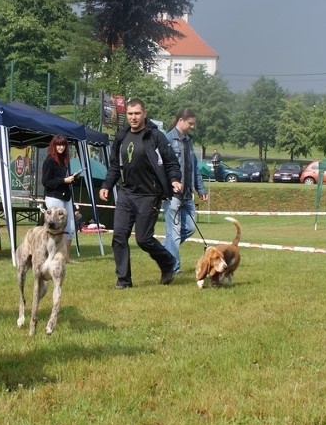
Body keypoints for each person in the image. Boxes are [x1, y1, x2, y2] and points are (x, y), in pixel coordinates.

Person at [99, 98, 182, 288]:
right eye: (130, 114)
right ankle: (123, 280)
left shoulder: (155, 136)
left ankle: (167, 262)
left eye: (137, 113)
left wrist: (175, 179)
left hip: (149, 195)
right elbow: (114, 165)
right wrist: (106, 185)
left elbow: (170, 162)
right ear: (126, 115)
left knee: (143, 239)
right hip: (126, 193)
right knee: (119, 236)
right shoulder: (121, 137)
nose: (133, 117)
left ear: (144, 113)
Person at [163, 108, 209, 274]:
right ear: (180, 121)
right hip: (172, 195)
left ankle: (163, 251)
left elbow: (194, 167)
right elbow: (162, 168)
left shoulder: (188, 141)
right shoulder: (166, 139)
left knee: (189, 228)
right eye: (190, 123)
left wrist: (200, 188)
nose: (192, 127)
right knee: (173, 233)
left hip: (187, 194)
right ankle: (173, 268)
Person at [41, 134, 79, 260]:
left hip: (66, 197)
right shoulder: (49, 160)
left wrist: (72, 179)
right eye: (59, 144)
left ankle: (66, 256)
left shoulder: (64, 161)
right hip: (54, 197)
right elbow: (46, 182)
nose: (61, 147)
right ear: (54, 145)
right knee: (54, 228)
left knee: (71, 227)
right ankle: (50, 256)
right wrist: (64, 180)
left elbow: (63, 180)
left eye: (63, 145)